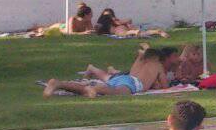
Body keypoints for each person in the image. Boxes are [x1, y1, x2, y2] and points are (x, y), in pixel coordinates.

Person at [44, 42, 179, 98]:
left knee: (98, 89)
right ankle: (94, 89)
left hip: (123, 78)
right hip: (132, 84)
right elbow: (165, 87)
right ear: (159, 58)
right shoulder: (158, 65)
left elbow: (141, 54)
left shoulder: (141, 59)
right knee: (116, 92)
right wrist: (157, 84)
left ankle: (59, 84)